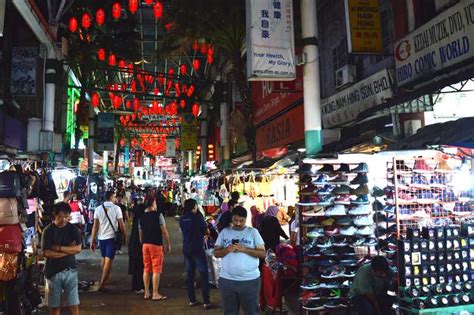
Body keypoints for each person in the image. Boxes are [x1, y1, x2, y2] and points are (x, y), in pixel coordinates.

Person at [214, 206, 266, 315]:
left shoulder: (253, 232)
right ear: (231, 218)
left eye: (241, 221)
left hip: (249, 280)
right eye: (235, 220)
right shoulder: (224, 232)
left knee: (251, 311)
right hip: (227, 280)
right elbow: (216, 253)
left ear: (245, 220)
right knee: (230, 312)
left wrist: (245, 249)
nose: (238, 223)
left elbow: (262, 253)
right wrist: (227, 249)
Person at [42, 202, 82, 315]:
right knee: (55, 307)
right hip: (53, 272)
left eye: (66, 216)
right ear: (54, 216)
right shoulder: (48, 231)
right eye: (60, 217)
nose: (63, 220)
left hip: (71, 271)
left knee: (74, 305)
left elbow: (78, 248)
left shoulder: (73, 229)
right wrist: (69, 251)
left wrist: (59, 248)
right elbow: (46, 253)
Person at [90, 191, 126, 291]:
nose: (115, 199)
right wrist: (124, 234)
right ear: (111, 197)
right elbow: (121, 224)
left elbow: (95, 226)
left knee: (103, 257)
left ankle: (106, 278)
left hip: (101, 238)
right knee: (109, 259)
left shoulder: (98, 209)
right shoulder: (116, 208)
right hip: (111, 237)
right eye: (114, 197)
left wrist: (92, 240)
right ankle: (102, 282)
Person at [179, 199, 211, 309]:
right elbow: (205, 230)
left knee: (190, 275)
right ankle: (206, 301)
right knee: (204, 274)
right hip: (197, 248)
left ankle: (192, 299)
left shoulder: (182, 218)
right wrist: (206, 233)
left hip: (187, 248)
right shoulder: (197, 217)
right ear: (194, 207)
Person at [139, 196, 171, 301]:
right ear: (153, 204)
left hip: (145, 245)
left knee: (146, 268)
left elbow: (140, 233)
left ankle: (147, 292)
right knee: (156, 269)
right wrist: (168, 243)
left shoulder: (141, 217)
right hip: (156, 245)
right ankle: (155, 293)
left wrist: (143, 242)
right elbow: (164, 231)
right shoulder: (158, 215)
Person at [128, 197, 145, 294]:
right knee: (139, 266)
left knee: (136, 267)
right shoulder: (141, 220)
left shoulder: (136, 220)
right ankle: (139, 286)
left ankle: (137, 286)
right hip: (137, 246)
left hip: (133, 245)